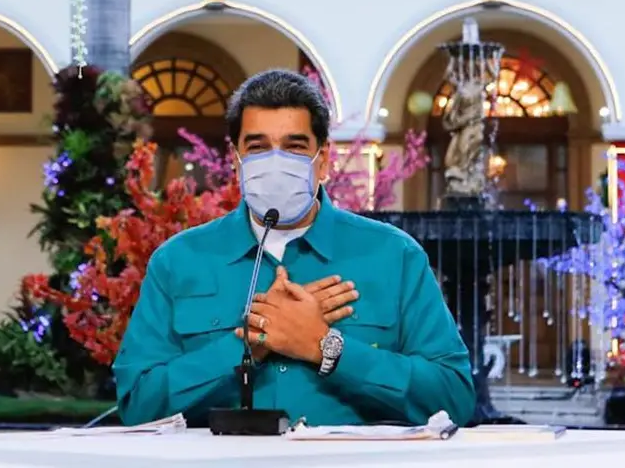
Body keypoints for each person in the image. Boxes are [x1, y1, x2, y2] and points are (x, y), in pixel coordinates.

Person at [114, 69, 475, 427]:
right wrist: (248, 346)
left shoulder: (395, 256)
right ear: (235, 158)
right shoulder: (178, 261)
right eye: (257, 147)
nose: (275, 161)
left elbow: (453, 398)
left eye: (294, 146)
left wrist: (325, 346)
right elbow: (138, 404)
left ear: (323, 160)